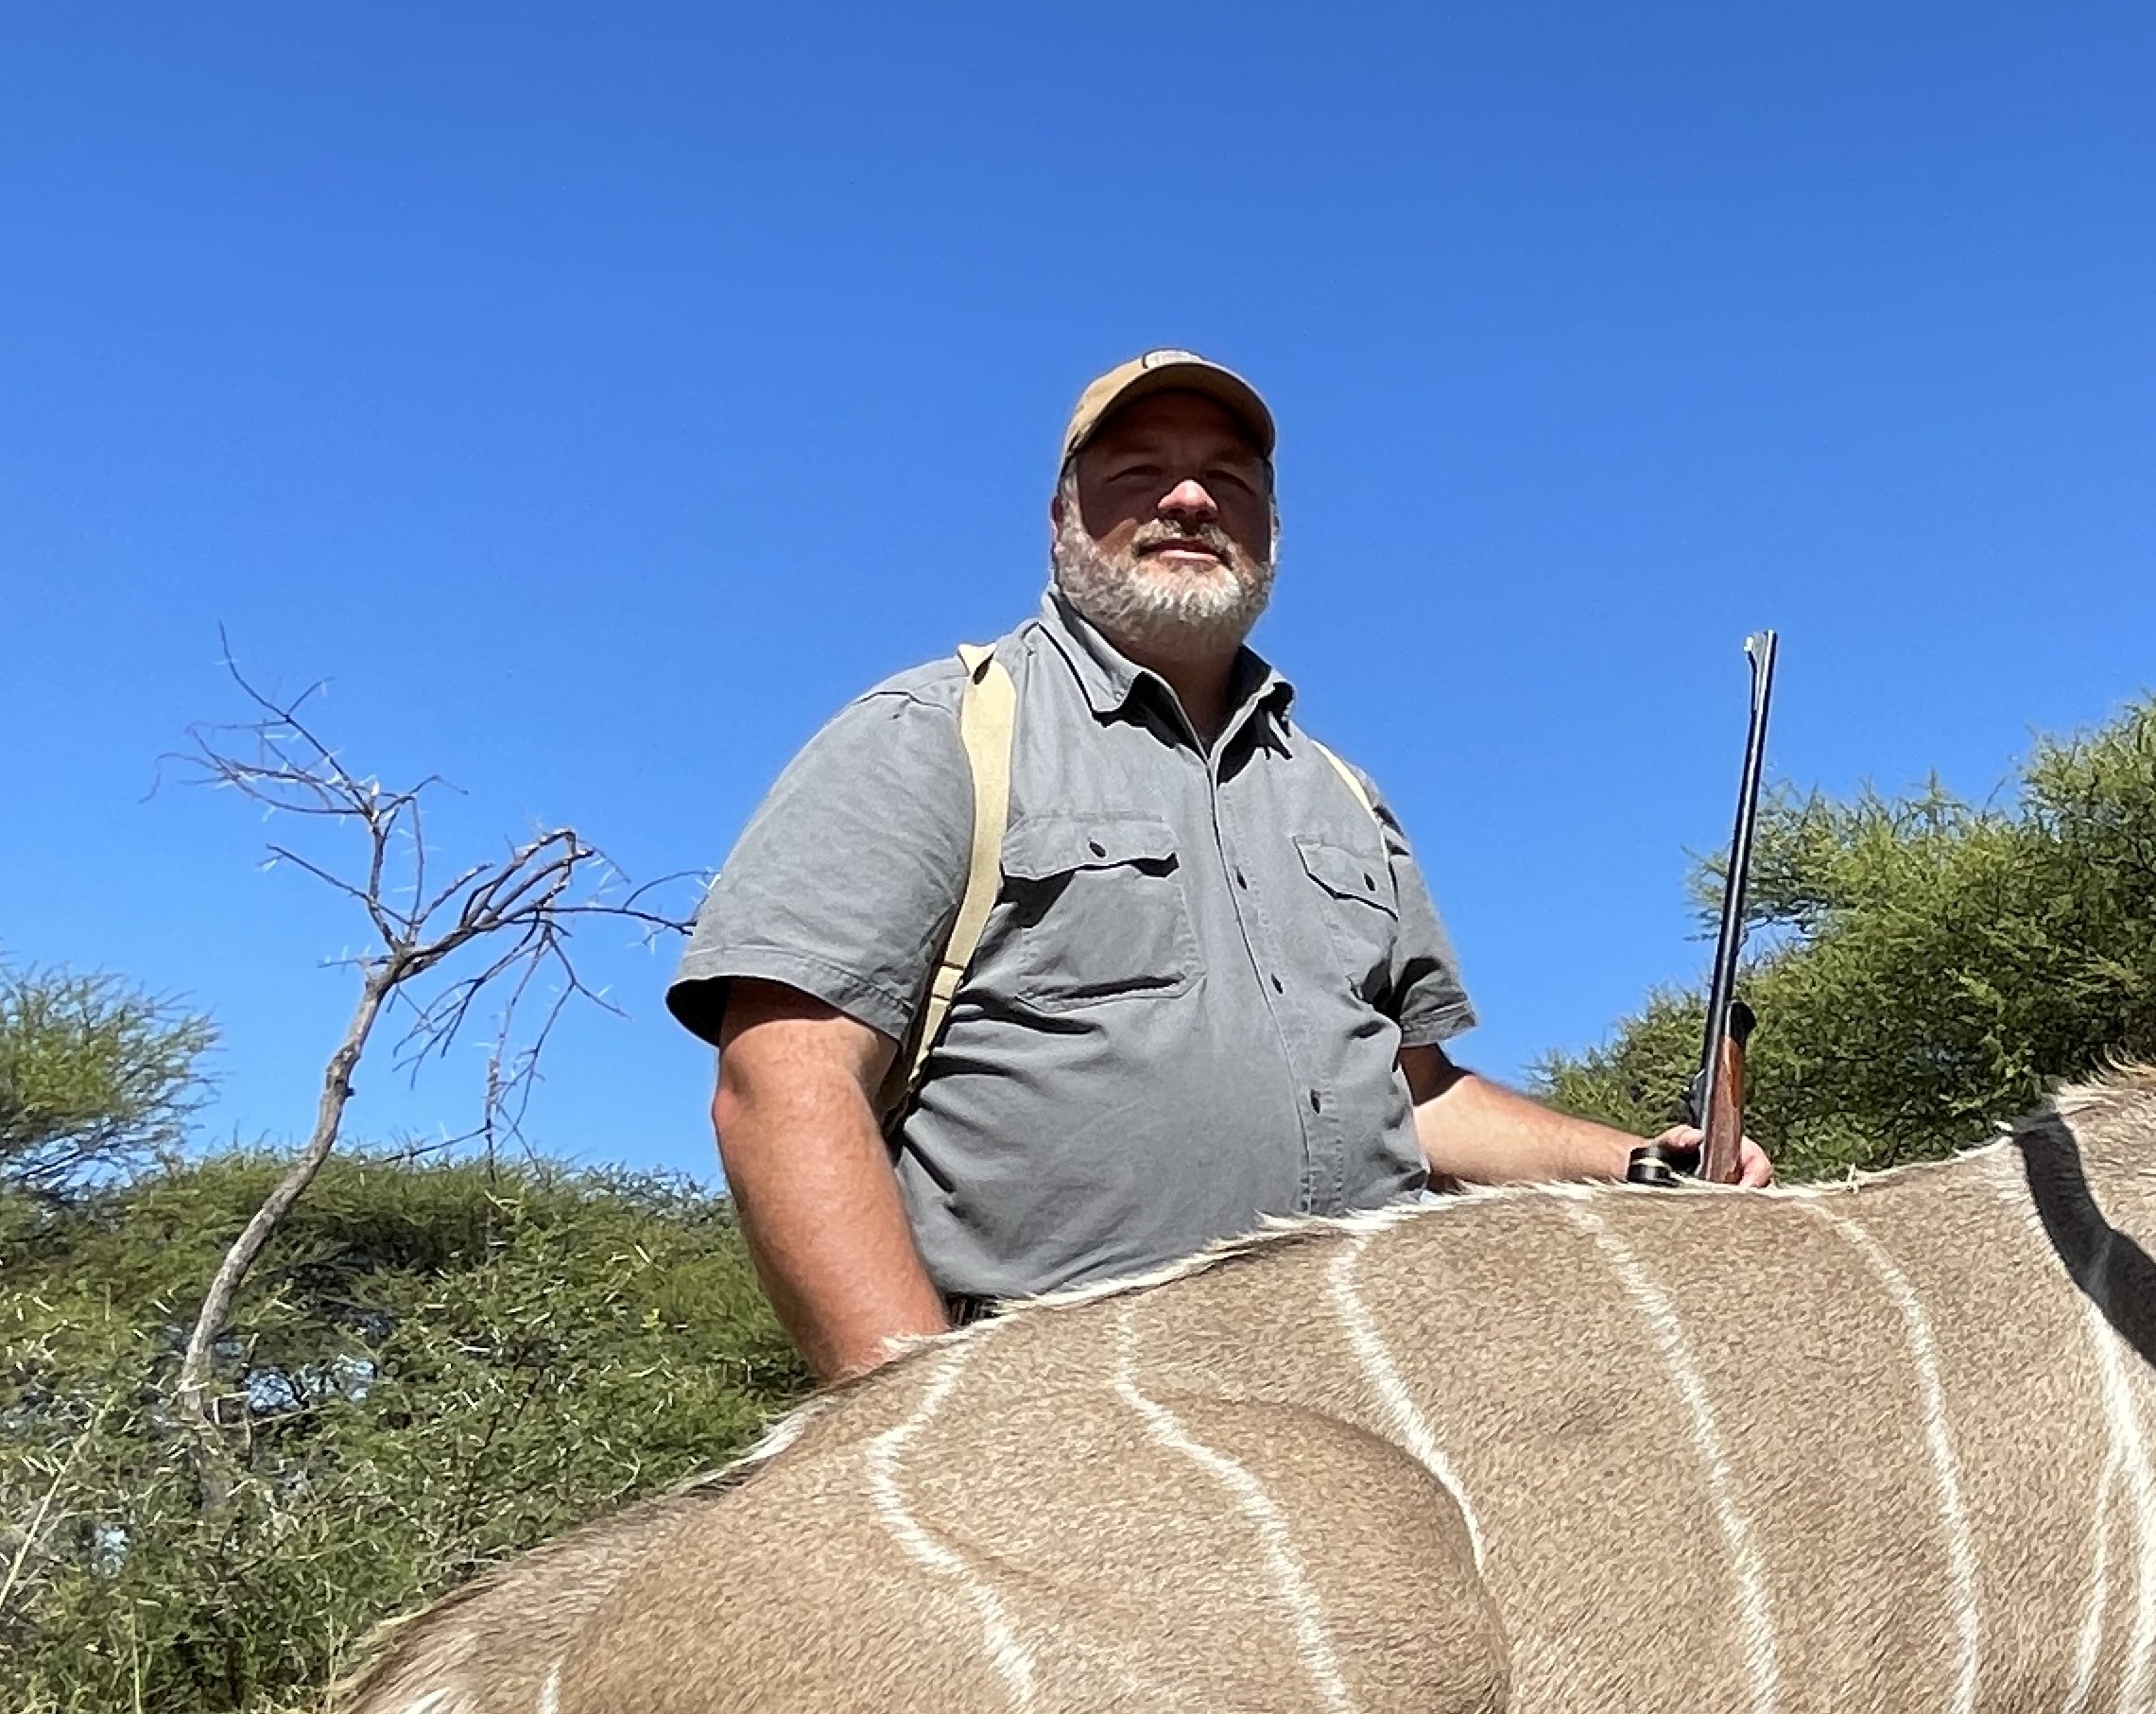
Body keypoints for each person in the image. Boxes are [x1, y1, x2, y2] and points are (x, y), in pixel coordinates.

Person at [671, 349, 1767, 1380]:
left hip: (1373, 1402)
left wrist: (1636, 1166)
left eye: (1226, 481)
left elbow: (1416, 1100)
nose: (1188, 501)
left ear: (1272, 531)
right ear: (1060, 520)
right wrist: (913, 1436)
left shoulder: (1342, 796)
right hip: (1061, 1419)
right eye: (1139, 471)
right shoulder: (934, 733)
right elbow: (785, 1084)